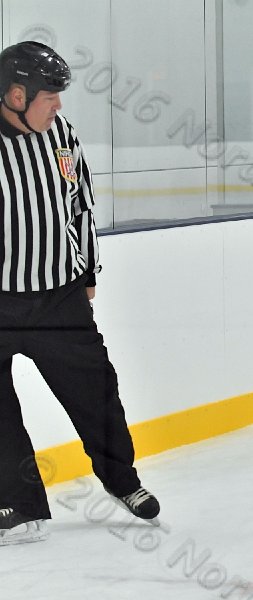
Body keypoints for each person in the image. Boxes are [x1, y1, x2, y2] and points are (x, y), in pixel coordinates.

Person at [0, 41, 160, 546]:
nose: (59, 106)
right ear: (15, 94)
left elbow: (80, 205)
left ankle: (123, 482)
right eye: (50, 96)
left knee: (97, 392)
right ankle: (17, 507)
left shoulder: (61, 135)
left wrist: (87, 271)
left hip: (59, 298)